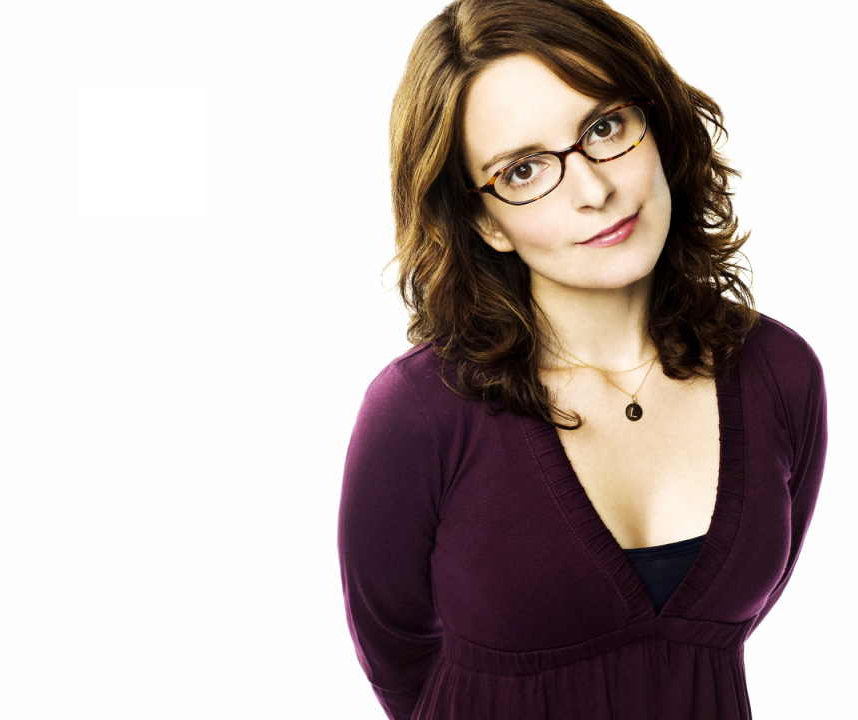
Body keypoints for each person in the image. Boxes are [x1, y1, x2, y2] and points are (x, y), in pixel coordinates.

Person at [337, 1, 828, 717]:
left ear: (655, 123)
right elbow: (397, 654)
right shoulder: (419, 412)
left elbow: (711, 643)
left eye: (604, 128)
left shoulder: (778, 372)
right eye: (524, 170)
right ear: (485, 223)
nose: (595, 191)